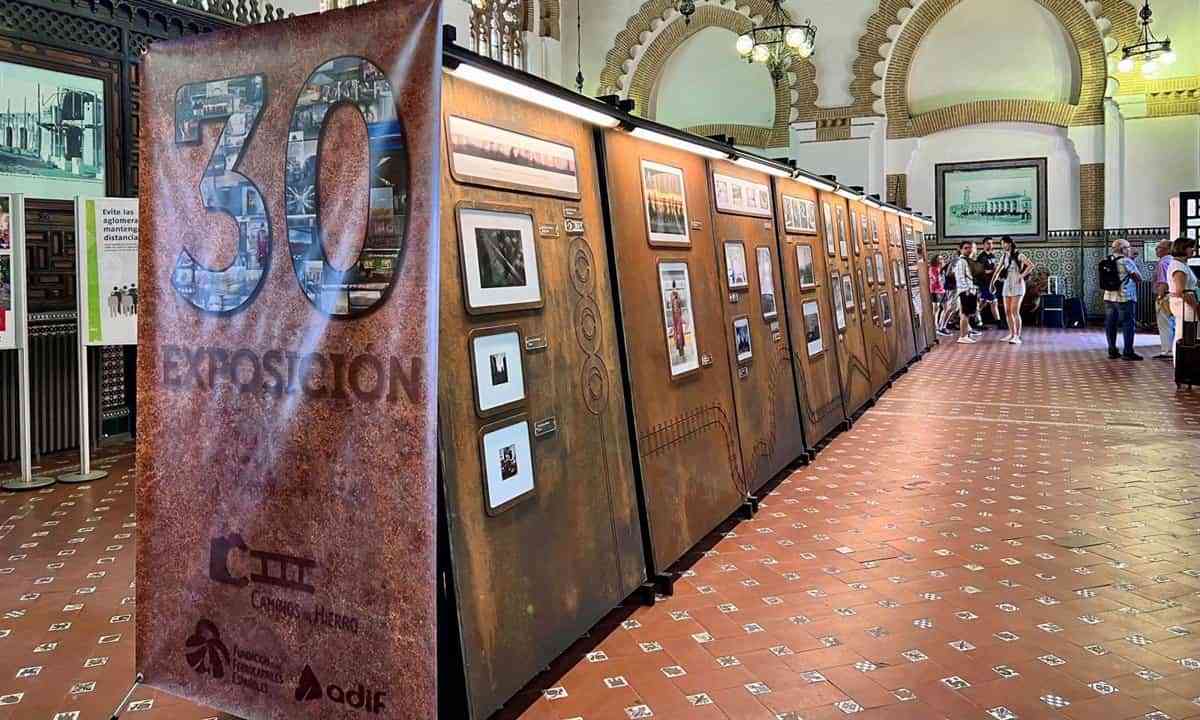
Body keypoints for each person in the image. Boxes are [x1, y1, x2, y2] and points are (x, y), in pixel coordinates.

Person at [1104, 238, 1143, 361]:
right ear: (1123, 249)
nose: (1129, 249)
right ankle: (1128, 352)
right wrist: (1132, 263)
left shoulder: (1106, 260)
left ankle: (1112, 350)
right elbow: (1139, 278)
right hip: (1125, 297)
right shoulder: (1126, 261)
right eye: (1128, 247)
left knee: (1110, 324)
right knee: (1128, 324)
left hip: (1109, 297)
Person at [993, 236, 1034, 344]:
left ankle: (1017, 336)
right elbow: (997, 270)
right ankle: (1011, 334)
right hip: (1007, 284)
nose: (1002, 246)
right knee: (1007, 312)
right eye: (1001, 244)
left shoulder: (1019, 255)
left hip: (1017, 284)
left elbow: (1031, 265)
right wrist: (992, 283)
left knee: (1014, 311)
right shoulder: (1004, 256)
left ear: (1009, 243)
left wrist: (1021, 276)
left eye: (1004, 243)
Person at [1167, 237, 1198, 365]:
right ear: (1183, 249)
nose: (1194, 250)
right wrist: (1196, 306)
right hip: (1184, 305)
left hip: (1184, 303)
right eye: (1191, 247)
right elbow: (1182, 291)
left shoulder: (1182, 264)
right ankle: (1182, 367)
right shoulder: (1178, 266)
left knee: (1187, 334)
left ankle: (1186, 366)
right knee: (1184, 335)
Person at [952, 240, 980, 344]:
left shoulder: (968, 260)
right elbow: (960, 277)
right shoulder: (961, 261)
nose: (968, 250)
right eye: (966, 248)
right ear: (961, 249)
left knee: (967, 314)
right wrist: (966, 290)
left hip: (971, 290)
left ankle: (966, 334)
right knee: (964, 313)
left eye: (970, 248)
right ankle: (962, 336)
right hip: (965, 291)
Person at [1153, 239, 1175, 360]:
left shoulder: (1163, 263)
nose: (1157, 249)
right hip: (1172, 296)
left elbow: (1163, 282)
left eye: (1159, 247)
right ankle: (1172, 349)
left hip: (1164, 296)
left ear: (1167, 249)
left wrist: (1159, 297)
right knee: (1172, 324)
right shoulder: (1172, 261)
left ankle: (1167, 351)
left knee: (1164, 324)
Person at [976, 238, 1000, 326]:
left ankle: (976, 320)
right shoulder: (981, 257)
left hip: (991, 282)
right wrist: (993, 270)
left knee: (984, 303)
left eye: (991, 243)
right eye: (988, 243)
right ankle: (998, 322)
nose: (990, 245)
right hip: (984, 283)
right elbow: (981, 271)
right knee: (993, 302)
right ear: (984, 245)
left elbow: (994, 268)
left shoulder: (992, 256)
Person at [929, 255, 947, 335]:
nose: (941, 260)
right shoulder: (932, 268)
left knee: (946, 308)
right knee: (935, 310)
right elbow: (933, 280)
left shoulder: (942, 268)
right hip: (936, 291)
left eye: (942, 258)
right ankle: (935, 327)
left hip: (943, 290)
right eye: (939, 259)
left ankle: (941, 325)